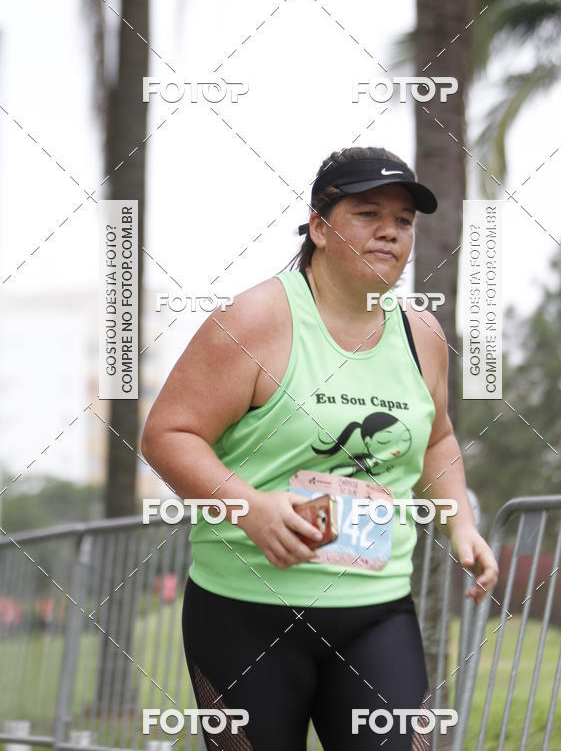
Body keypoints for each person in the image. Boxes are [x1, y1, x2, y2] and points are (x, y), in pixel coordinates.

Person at [141, 145, 499, 751]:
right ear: (319, 227)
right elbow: (166, 435)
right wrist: (250, 507)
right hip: (246, 612)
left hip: (377, 609)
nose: (391, 231)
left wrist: (460, 524)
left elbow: (436, 435)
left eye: (405, 220)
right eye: (368, 213)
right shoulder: (255, 319)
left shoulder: (423, 336)